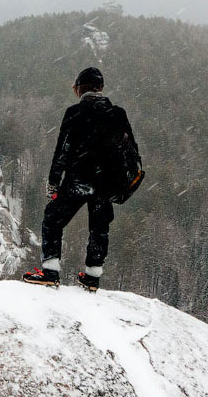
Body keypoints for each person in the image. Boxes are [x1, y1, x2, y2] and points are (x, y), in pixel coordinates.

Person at [22, 67, 139, 292]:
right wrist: (124, 184)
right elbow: (130, 151)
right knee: (99, 228)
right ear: (101, 88)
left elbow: (62, 151)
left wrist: (53, 182)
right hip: (106, 183)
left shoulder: (74, 113)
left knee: (52, 219)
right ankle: (92, 277)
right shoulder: (118, 114)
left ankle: (50, 272)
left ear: (80, 89)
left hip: (78, 180)